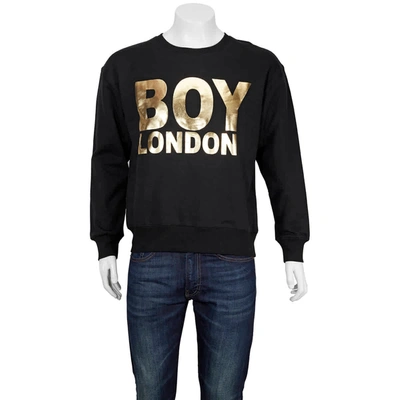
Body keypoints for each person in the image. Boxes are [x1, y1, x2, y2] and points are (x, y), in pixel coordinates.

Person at [90, 3, 310, 399]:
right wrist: (106, 242)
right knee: (151, 393)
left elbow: (283, 159)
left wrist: (293, 246)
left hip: (231, 262)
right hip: (152, 259)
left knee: (225, 394)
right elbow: (109, 160)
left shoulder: (259, 66)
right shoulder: (125, 66)